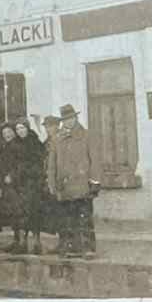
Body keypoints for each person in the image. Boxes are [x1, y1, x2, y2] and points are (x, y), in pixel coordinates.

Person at [47, 104, 99, 259]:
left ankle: (87, 248)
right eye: (65, 119)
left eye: (71, 118)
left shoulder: (87, 135)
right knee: (67, 219)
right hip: (64, 187)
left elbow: (95, 160)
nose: (68, 121)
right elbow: (52, 164)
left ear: (76, 118)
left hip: (83, 185)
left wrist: (95, 181)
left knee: (84, 218)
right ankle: (71, 248)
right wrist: (52, 184)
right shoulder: (57, 139)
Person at [15, 116, 46, 255]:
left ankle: (36, 242)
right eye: (17, 129)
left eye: (22, 128)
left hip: (33, 183)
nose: (20, 131)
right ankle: (22, 242)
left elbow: (40, 161)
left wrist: (30, 171)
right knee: (21, 213)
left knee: (34, 211)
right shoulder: (15, 144)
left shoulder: (35, 142)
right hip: (19, 184)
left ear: (27, 128)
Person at [0, 122, 26, 254]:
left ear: (14, 133)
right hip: (6, 186)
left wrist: (12, 176)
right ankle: (16, 240)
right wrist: (0, 183)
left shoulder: (19, 146)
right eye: (4, 133)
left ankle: (22, 243)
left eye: (9, 132)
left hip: (18, 185)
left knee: (19, 213)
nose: (7, 135)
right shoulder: (2, 147)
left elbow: (22, 165)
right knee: (12, 214)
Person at [41, 115, 64, 254]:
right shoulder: (47, 142)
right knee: (54, 213)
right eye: (46, 126)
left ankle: (65, 243)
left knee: (63, 213)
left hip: (61, 181)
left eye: (50, 126)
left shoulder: (62, 140)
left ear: (57, 126)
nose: (48, 129)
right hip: (50, 181)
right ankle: (61, 243)